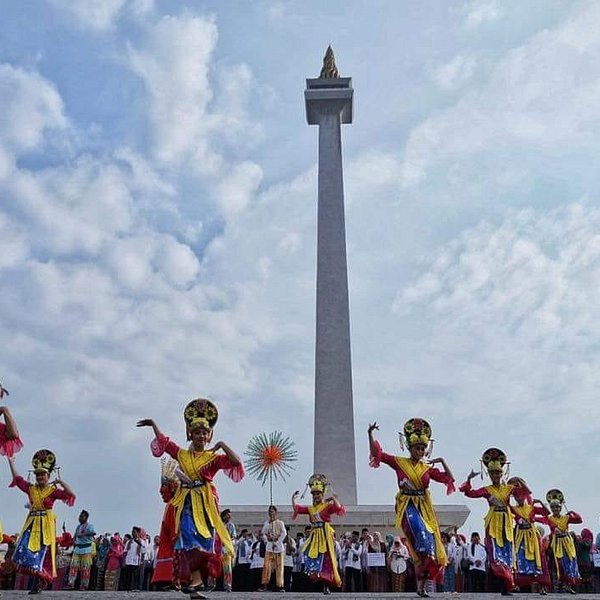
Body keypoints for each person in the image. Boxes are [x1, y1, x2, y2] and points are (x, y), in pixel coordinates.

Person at [137, 398, 244, 600]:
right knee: (186, 536)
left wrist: (221, 444)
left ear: (209, 435)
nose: (201, 436)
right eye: (197, 432)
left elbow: (236, 461)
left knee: (204, 542)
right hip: (186, 500)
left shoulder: (213, 458)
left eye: (204, 432)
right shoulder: (183, 455)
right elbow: (166, 444)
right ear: (190, 434)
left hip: (205, 502)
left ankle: (196, 584)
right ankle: (192, 582)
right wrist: (153, 425)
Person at [368, 419, 454, 598]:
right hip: (408, 507)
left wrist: (442, 461)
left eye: (423, 448)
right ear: (410, 447)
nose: (420, 452)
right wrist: (370, 434)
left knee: (429, 551)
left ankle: (421, 587)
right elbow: (379, 454)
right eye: (417, 448)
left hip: (424, 508)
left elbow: (449, 478)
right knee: (421, 539)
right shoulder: (399, 462)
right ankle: (421, 579)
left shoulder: (426, 468)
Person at [6, 449, 75, 594]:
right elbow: (18, 479)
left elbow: (71, 494)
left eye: (43, 474)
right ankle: (41, 579)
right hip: (32, 524)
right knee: (23, 551)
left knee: (42, 554)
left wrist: (61, 482)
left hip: (45, 526)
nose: (40, 477)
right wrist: (11, 462)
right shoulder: (31, 489)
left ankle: (40, 582)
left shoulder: (53, 491)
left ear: (48, 476)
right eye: (38, 475)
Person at [459, 447, 517, 595]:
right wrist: (469, 479)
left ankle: (508, 584)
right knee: (496, 554)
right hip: (493, 524)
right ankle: (505, 583)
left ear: (501, 473)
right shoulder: (487, 490)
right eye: (492, 473)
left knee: (507, 554)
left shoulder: (509, 489)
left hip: (506, 524)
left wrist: (520, 482)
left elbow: (525, 494)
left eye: (498, 472)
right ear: (489, 474)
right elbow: (469, 493)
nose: (495, 475)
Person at [291, 473, 345, 594]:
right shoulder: (311, 509)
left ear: (322, 494)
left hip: (325, 536)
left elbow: (338, 508)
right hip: (315, 537)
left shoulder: (327, 506)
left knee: (326, 560)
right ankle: (318, 580)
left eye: (318, 494)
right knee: (311, 557)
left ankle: (327, 584)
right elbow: (298, 509)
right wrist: (293, 499)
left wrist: (333, 498)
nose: (316, 496)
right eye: (314, 494)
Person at [506, 477, 551, 594]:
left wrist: (540, 502)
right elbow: (504, 505)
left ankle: (542, 586)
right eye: (516, 496)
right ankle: (518, 585)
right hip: (520, 536)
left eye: (520, 496)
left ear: (524, 496)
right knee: (519, 558)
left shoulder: (532, 507)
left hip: (533, 536)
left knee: (538, 559)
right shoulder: (514, 509)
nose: (519, 498)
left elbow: (547, 513)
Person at [539, 489, 582, 594]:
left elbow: (579, 520)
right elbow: (544, 522)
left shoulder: (566, 517)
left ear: (560, 507)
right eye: (553, 507)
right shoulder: (549, 518)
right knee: (559, 564)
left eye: (557, 507)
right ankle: (559, 585)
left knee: (570, 563)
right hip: (557, 543)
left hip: (567, 543)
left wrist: (572, 512)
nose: (555, 509)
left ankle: (568, 585)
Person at [151, 458, 180, 590]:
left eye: (164, 486)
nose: (160, 490)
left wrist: (175, 538)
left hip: (171, 543)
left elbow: (174, 528)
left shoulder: (173, 505)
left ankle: (171, 578)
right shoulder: (171, 505)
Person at [258, 505, 287, 592]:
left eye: (272, 511)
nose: (271, 513)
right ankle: (264, 584)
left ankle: (280, 586)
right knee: (266, 566)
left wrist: (278, 542)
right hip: (269, 547)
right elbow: (263, 533)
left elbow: (284, 533)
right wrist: (267, 540)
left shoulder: (280, 523)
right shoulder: (266, 523)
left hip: (279, 548)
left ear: (276, 512)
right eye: (269, 511)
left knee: (279, 567)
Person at [67, 510, 96, 590]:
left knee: (85, 568)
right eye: (79, 516)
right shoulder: (78, 527)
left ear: (86, 518)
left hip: (86, 549)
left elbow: (93, 533)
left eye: (82, 516)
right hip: (77, 549)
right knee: (73, 566)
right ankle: (71, 583)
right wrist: (73, 542)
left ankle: (84, 585)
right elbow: (75, 536)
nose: (80, 518)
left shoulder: (90, 525)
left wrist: (83, 534)